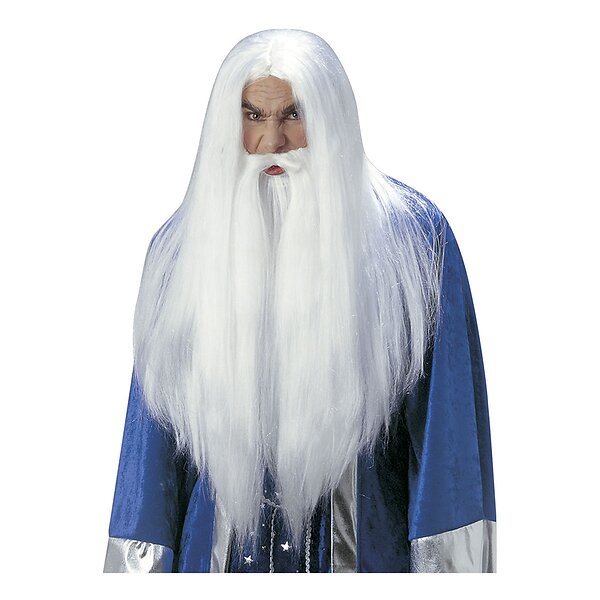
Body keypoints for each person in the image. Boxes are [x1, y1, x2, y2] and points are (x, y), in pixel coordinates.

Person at [104, 29, 496, 573]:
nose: (273, 142)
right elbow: (148, 466)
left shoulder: (413, 243)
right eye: (254, 116)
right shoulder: (178, 254)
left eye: (294, 114)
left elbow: (447, 447)